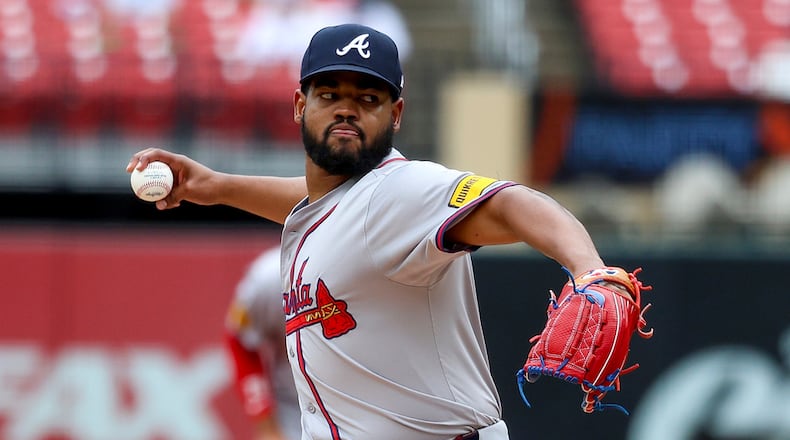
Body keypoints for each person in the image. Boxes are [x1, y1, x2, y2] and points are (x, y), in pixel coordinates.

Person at [127, 23, 616, 439]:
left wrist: (589, 269)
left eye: (367, 97)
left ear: (396, 115)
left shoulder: (404, 192)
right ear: (300, 104)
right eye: (330, 94)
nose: (346, 108)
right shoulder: (337, 206)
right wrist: (214, 185)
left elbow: (512, 204)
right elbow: (325, 206)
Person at [224, 245, 301, 440]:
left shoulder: (379, 266)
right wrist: (266, 423)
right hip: (297, 415)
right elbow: (240, 340)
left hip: (374, 407)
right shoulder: (271, 276)